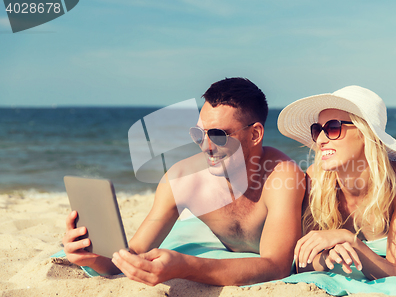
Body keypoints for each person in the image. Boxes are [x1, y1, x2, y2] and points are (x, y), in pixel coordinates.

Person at [63, 78, 305, 286]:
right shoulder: (181, 181)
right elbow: (134, 253)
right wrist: (91, 258)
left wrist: (187, 267)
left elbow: (276, 266)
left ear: (255, 134)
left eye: (218, 135)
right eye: (199, 134)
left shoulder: (283, 177)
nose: (206, 146)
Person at [277, 85, 396, 280]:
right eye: (317, 130)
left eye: (333, 128)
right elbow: (301, 263)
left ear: (365, 134)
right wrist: (325, 258)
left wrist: (349, 239)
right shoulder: (315, 178)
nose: (321, 139)